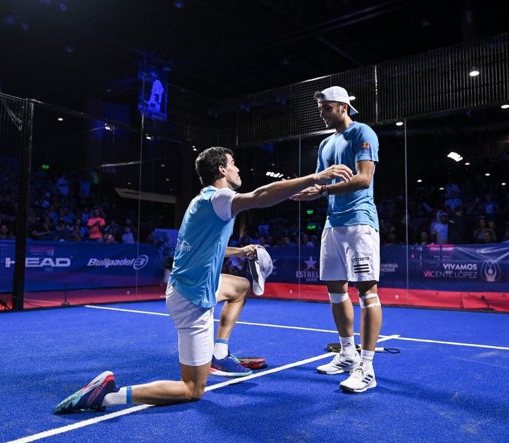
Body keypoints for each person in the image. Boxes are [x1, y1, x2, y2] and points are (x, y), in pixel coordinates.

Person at [53, 146, 352, 413]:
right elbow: (260, 197)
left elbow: (210, 248)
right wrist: (315, 177)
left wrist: (242, 250)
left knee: (240, 287)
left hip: (187, 286)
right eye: (233, 164)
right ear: (221, 169)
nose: (237, 169)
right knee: (192, 389)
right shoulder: (220, 198)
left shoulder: (203, 202)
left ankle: (219, 351)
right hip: (192, 301)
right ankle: (107, 397)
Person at [291, 86, 382, 393]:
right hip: (333, 224)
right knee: (335, 290)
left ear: (343, 106)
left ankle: (366, 367)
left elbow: (363, 178)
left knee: (367, 292)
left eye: (326, 108)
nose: (322, 113)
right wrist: (304, 191)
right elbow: (320, 182)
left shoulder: (362, 133)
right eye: (320, 109)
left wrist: (325, 190)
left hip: (360, 223)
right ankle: (347, 353)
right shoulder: (326, 144)